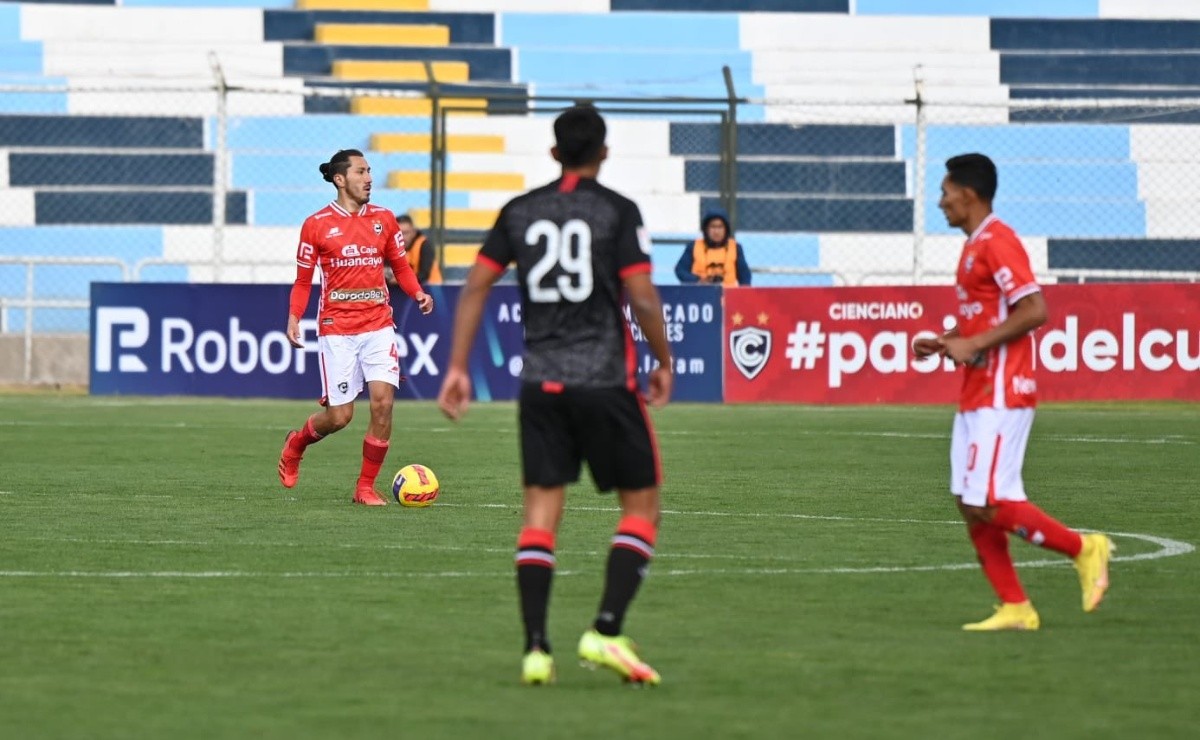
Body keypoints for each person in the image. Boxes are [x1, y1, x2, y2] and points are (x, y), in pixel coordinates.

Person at [436, 105, 673, 686]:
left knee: (541, 517)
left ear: (552, 152)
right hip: (604, 382)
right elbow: (641, 296)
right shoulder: (617, 210)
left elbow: (475, 286)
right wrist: (663, 360)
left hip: (540, 383)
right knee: (640, 509)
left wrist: (458, 367)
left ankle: (536, 650)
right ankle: (606, 630)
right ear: (604, 153)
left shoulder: (520, 211)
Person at [913, 153, 1113, 631]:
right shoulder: (972, 247)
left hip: (1003, 391)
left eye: (945, 192)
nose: (940, 202)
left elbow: (1035, 309)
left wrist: (974, 342)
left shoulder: (998, 242)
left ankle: (1085, 549)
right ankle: (1016, 607)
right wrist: (946, 343)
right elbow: (983, 322)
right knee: (969, 500)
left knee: (990, 500)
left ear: (969, 193)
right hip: (977, 390)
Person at [277, 149, 434, 506]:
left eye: (370, 171)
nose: (369, 178)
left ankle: (365, 487)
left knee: (382, 405)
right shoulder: (316, 224)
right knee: (340, 416)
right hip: (337, 329)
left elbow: (401, 265)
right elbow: (303, 281)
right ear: (340, 179)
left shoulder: (384, 219)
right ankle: (297, 442)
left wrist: (418, 292)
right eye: (361, 172)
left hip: (378, 323)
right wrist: (293, 316)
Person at [674, 207, 751, 285]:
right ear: (706, 229)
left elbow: (745, 276)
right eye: (713, 227)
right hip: (699, 293)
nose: (716, 232)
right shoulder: (693, 246)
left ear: (726, 229)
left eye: (720, 227)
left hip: (728, 294)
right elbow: (680, 270)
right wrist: (698, 281)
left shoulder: (735, 247)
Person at [386, 214, 442, 286]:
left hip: (431, 291)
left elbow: (423, 276)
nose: (402, 237)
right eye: (399, 233)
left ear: (413, 232)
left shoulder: (423, 245)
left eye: (406, 233)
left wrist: (399, 280)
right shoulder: (390, 248)